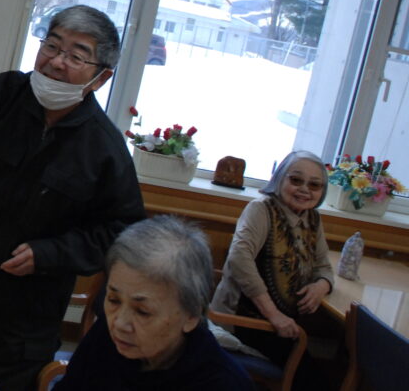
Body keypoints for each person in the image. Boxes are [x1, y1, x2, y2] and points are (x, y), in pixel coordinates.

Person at [0, 5, 146, 391]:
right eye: (52, 45)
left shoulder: (104, 147)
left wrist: (51, 253)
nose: (57, 62)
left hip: (30, 314)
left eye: (76, 56)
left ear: (101, 78)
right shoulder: (5, 92)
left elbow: (123, 232)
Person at [53, 215, 252, 390]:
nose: (119, 323)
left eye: (142, 311)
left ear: (192, 315)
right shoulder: (104, 336)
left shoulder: (224, 383)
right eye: (113, 300)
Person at [210, 150, 333, 382]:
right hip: (245, 321)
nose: (305, 189)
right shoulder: (261, 209)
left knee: (318, 376)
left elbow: (324, 267)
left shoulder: (313, 219)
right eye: (296, 180)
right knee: (313, 381)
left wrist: (321, 286)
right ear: (279, 179)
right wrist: (274, 315)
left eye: (314, 185)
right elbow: (239, 259)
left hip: (281, 327)